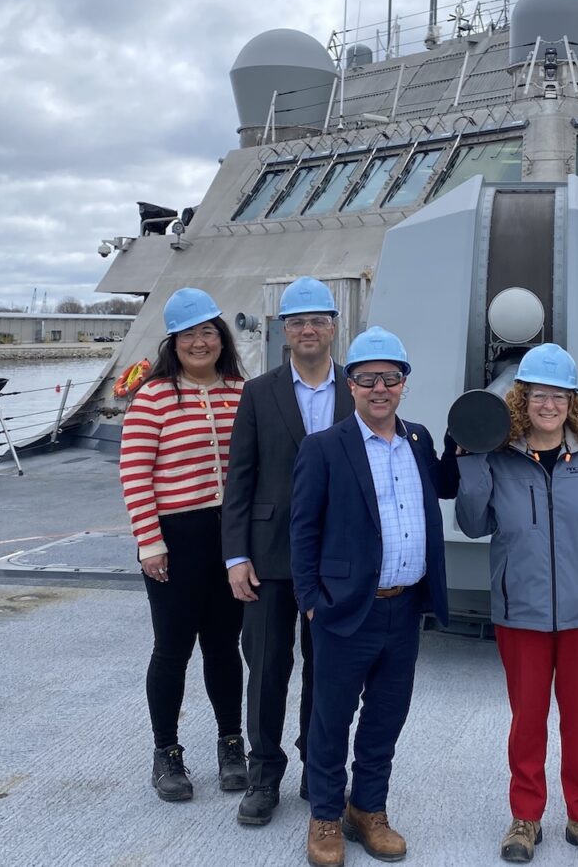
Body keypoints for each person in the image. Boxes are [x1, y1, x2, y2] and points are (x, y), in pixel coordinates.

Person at [455, 343, 578, 865]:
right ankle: (525, 817)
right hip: (522, 617)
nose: (549, 404)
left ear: (572, 402)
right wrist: (471, 464)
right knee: (527, 721)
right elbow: (473, 524)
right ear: (523, 398)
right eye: (539, 394)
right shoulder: (499, 457)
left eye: (559, 395)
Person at [289, 326, 452, 867]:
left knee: (386, 716)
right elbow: (303, 529)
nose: (379, 388)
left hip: (404, 609)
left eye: (390, 378)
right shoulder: (324, 448)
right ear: (350, 384)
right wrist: (311, 598)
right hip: (344, 609)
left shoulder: (420, 441)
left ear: (404, 384)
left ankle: (369, 808)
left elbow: (449, 484)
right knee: (331, 719)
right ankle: (326, 817)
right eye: (366, 378)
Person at [221, 276, 354, 826]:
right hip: (270, 555)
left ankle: (317, 767)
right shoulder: (259, 393)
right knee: (268, 667)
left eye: (317, 321)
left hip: (337, 557)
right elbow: (240, 479)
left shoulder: (357, 390)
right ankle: (263, 772)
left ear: (333, 328)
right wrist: (236, 557)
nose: (307, 330)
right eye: (296, 322)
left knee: (327, 670)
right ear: (283, 330)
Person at [119, 287, 248, 803]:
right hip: (176, 537)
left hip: (231, 538)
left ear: (222, 337)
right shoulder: (153, 397)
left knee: (224, 647)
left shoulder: (242, 391)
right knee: (172, 649)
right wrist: (149, 543)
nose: (200, 342)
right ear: (174, 341)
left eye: (208, 331)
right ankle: (166, 753)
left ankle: (230, 744)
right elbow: (135, 473)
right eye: (189, 334)